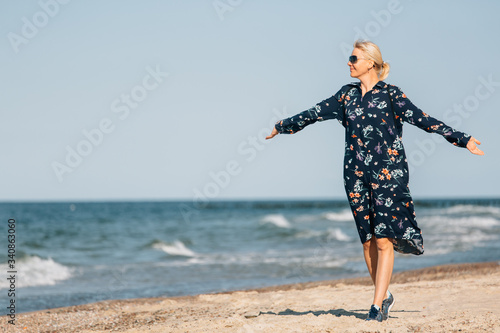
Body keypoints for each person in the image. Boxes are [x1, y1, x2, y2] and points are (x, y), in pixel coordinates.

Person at [265, 39, 484, 322]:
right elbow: (314, 113)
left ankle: (376, 306)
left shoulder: (392, 95)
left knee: (383, 240)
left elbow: (424, 120)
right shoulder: (346, 96)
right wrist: (281, 126)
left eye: (353, 58)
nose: (349, 63)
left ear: (370, 62)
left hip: (389, 174)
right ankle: (385, 295)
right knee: (368, 242)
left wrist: (462, 139)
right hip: (355, 174)